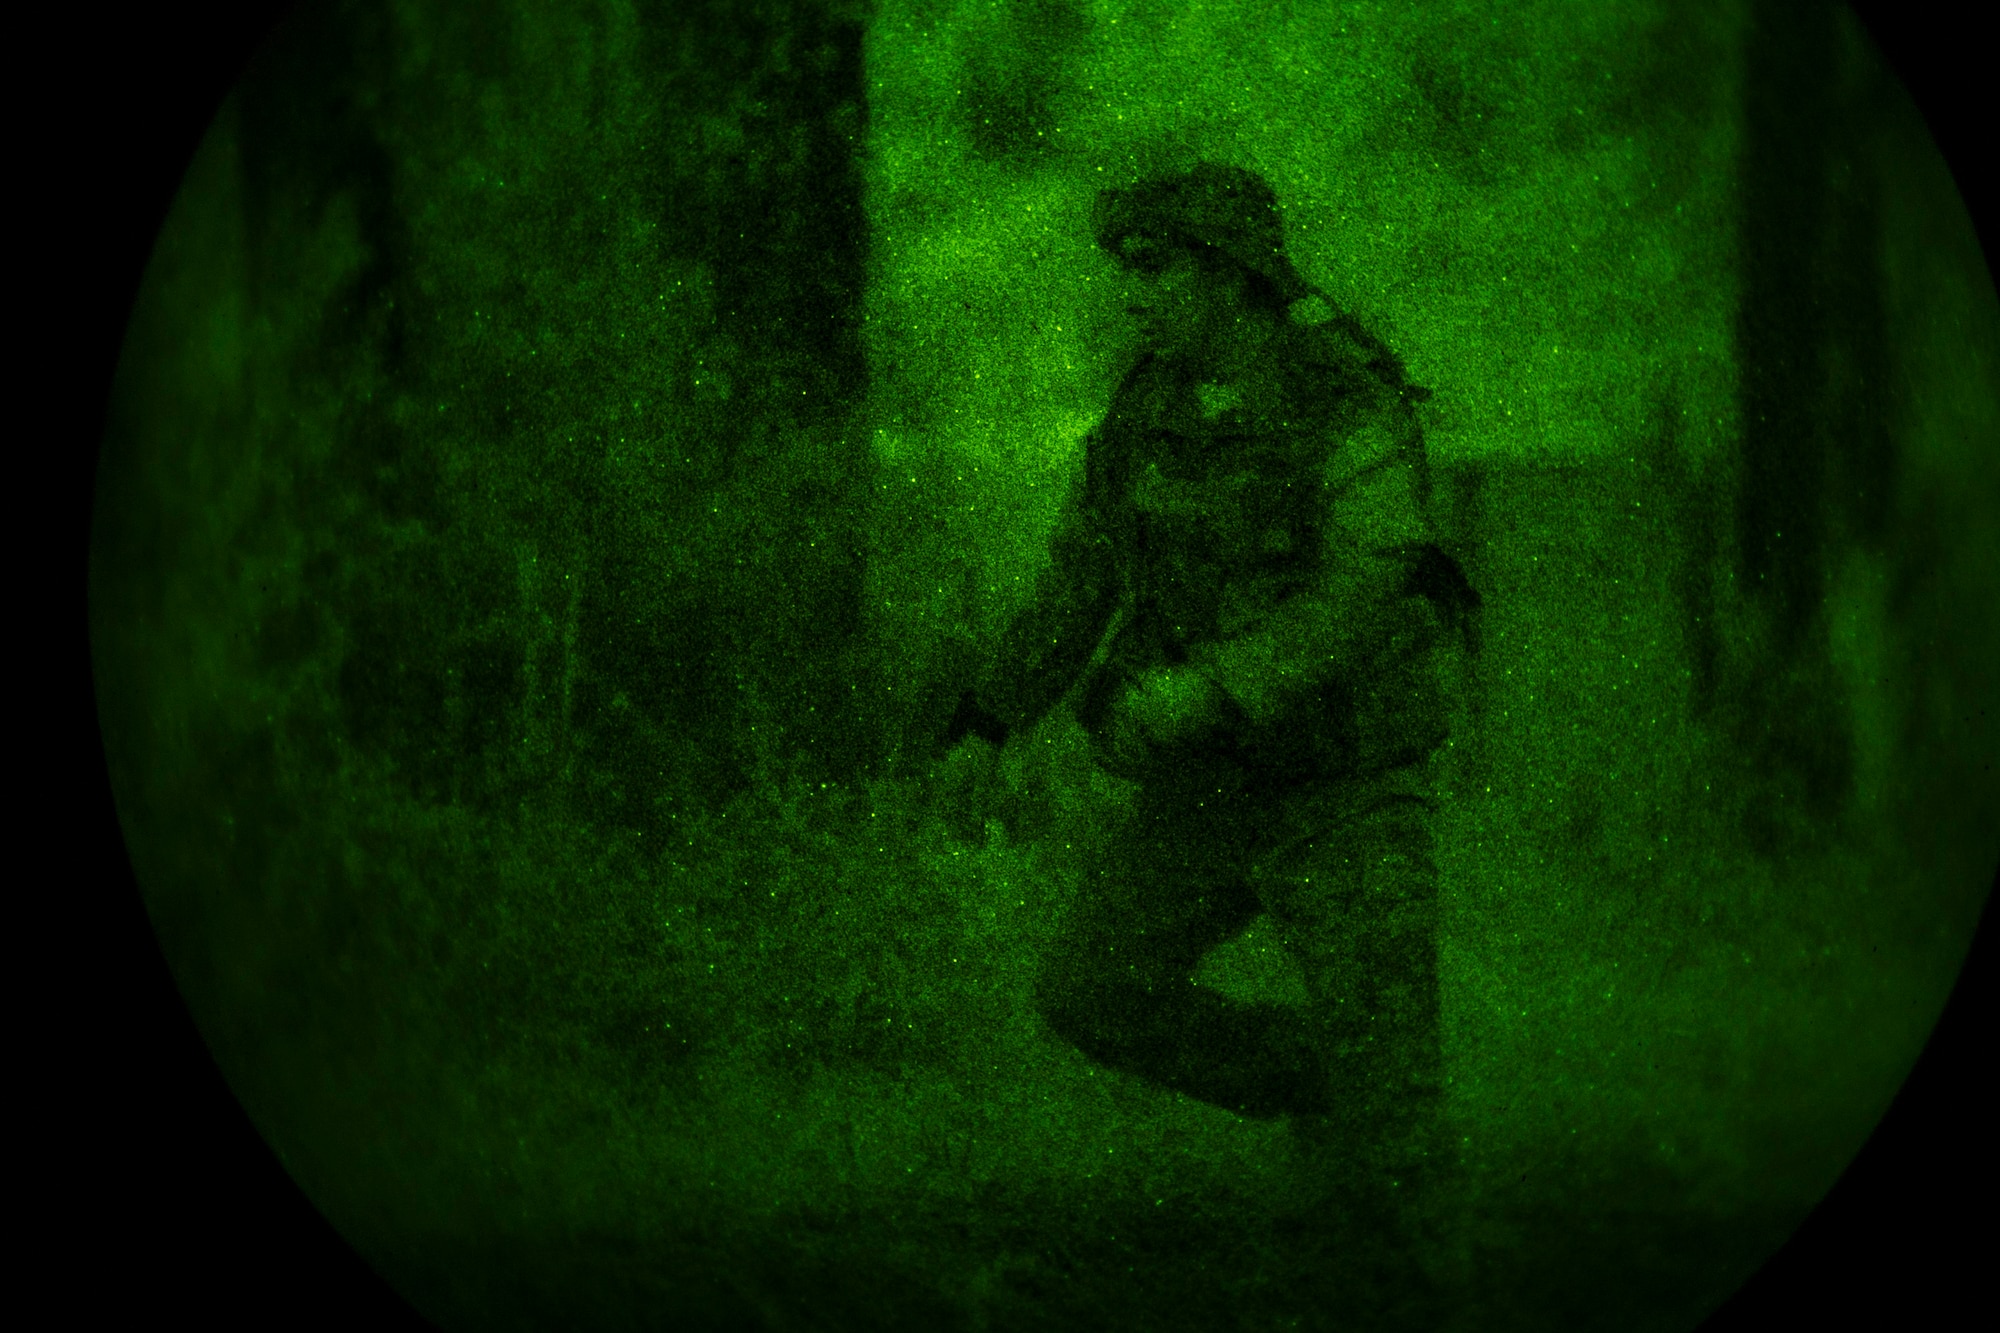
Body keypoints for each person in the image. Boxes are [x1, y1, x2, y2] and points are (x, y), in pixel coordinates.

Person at [941, 163, 1478, 1148]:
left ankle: (1376, 1129)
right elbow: (1079, 578)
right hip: (1212, 788)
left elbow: (1366, 583)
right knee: (1090, 991)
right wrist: (986, 721)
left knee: (1398, 1123)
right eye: (1122, 269)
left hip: (1345, 783)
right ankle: (1321, 1083)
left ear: (1229, 276)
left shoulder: (1345, 401)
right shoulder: (1146, 411)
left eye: (1154, 268)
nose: (1128, 292)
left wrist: (1218, 688)